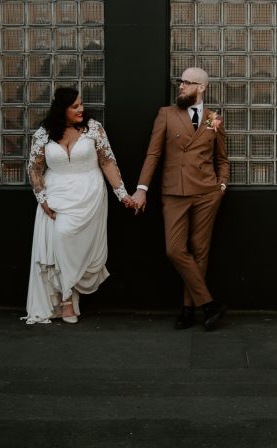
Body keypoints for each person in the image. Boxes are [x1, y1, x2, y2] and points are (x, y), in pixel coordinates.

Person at [23, 86, 136, 325]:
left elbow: (107, 162)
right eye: (75, 106)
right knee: (59, 240)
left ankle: (70, 294)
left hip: (89, 194)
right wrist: (41, 198)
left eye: (81, 104)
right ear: (61, 109)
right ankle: (65, 301)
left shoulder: (93, 129)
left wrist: (122, 194)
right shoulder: (44, 133)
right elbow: (34, 168)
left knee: (70, 242)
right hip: (55, 195)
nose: (81, 109)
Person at [132, 67, 229, 331]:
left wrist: (221, 185)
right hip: (174, 191)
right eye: (181, 82)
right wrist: (142, 188)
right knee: (174, 249)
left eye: (187, 83)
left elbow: (221, 158)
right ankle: (208, 304)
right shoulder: (166, 114)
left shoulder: (212, 119)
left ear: (202, 87)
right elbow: (153, 155)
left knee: (200, 251)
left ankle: (188, 309)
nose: (181, 86)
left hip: (207, 193)